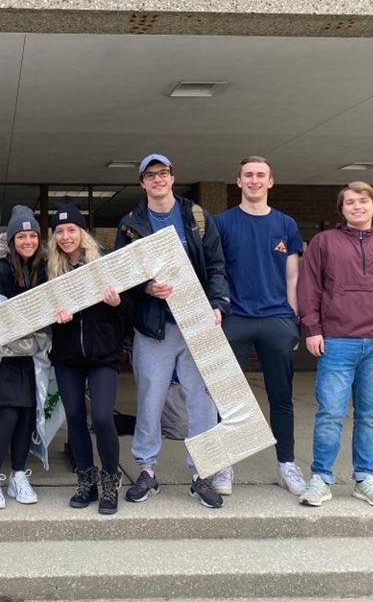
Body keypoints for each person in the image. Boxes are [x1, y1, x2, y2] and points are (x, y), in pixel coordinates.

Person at [115, 153, 229, 509]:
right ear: (142, 183)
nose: (157, 179)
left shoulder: (197, 216)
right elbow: (122, 276)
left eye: (162, 173)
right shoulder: (131, 224)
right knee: (150, 399)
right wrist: (148, 287)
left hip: (196, 322)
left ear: (172, 177)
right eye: (150, 175)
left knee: (202, 401)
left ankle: (202, 474)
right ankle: (146, 470)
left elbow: (216, 266)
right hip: (154, 326)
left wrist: (218, 304)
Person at [297, 181, 373, 508]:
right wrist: (312, 329)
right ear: (342, 209)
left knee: (370, 415)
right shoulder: (324, 242)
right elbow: (308, 288)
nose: (357, 207)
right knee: (330, 414)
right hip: (337, 342)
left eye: (363, 201)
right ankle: (321, 479)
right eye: (350, 202)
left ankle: (365, 478)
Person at [213, 156, 306, 498]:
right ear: (238, 181)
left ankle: (286, 465)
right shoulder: (221, 223)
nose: (254, 180)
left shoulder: (286, 224)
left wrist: (293, 318)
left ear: (270, 181)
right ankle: (224, 464)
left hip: (277, 319)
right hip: (235, 318)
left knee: (281, 397)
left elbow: (292, 276)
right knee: (227, 397)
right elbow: (215, 271)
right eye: (248, 175)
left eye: (260, 175)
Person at [48, 202, 124, 515]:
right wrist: (55, 318)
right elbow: (39, 311)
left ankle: (110, 481)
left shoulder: (104, 262)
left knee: (103, 417)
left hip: (102, 353)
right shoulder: (50, 269)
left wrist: (117, 303)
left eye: (71, 229)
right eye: (59, 231)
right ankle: (86, 481)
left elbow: (130, 308)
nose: (66, 236)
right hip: (67, 355)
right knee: (75, 417)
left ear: (82, 232)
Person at [0, 205, 48, 509]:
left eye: (32, 236)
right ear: (12, 240)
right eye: (21, 236)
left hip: (33, 358)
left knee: (27, 418)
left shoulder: (44, 269)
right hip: (3, 357)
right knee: (8, 416)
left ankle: (19, 475)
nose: (27, 241)